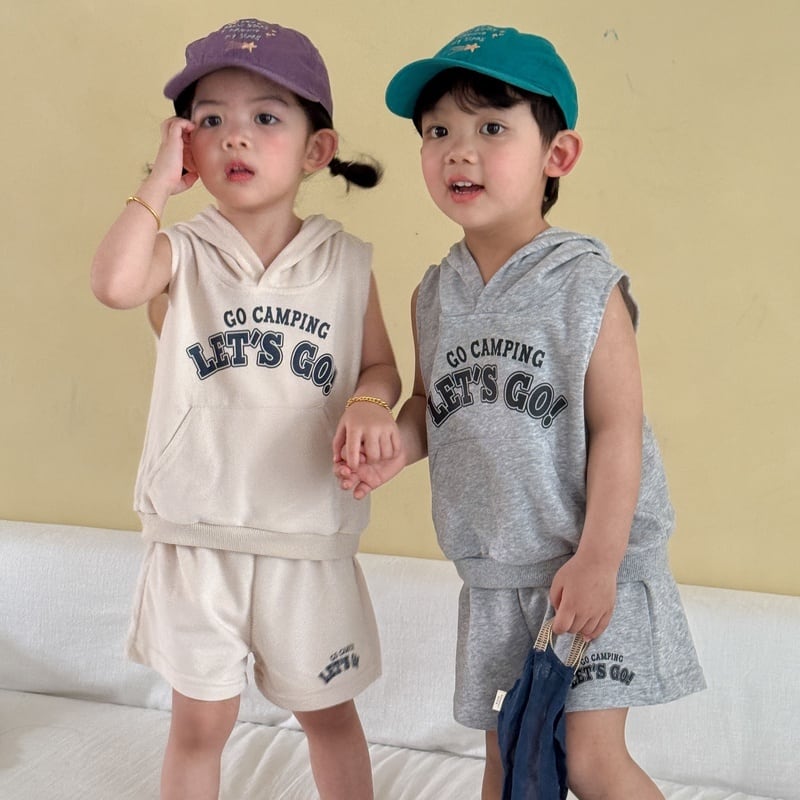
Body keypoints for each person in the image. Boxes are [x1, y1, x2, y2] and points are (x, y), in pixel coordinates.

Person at [336, 25, 705, 800]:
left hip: (589, 567)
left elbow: (618, 431)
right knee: (508, 760)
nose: (458, 152)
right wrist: (392, 444)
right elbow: (433, 406)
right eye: (438, 132)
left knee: (590, 760)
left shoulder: (586, 285)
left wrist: (599, 560)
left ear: (557, 155)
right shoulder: (434, 294)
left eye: (491, 129)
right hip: (496, 577)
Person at [91, 19, 401, 800]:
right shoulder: (182, 254)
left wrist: (370, 404)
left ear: (316, 150)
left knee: (330, 719)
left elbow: (379, 367)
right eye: (210, 119)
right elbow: (114, 285)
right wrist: (157, 186)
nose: (236, 136)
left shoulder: (345, 264)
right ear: (186, 145)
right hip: (197, 536)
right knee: (199, 727)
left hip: (307, 539)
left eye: (266, 117)